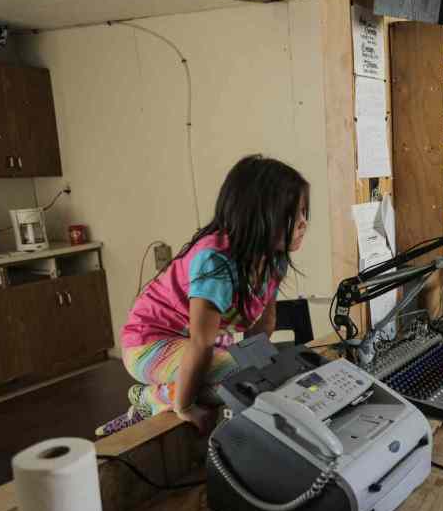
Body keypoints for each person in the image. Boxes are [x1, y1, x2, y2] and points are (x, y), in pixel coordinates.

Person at [96, 155, 309, 436]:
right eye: (295, 214)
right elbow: (201, 341)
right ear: (258, 216)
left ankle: (166, 393)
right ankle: (152, 400)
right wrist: (185, 407)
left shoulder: (274, 259)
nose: (304, 223)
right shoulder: (216, 260)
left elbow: (265, 323)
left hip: (195, 346)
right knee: (245, 381)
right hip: (148, 345)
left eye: (305, 212)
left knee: (265, 377)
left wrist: (263, 364)